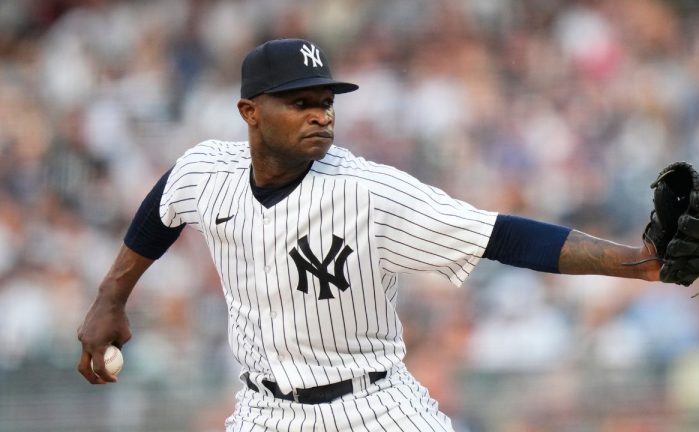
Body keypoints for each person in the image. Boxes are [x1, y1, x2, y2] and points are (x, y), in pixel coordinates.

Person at [77, 38, 663, 431]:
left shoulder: (369, 192)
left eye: (327, 103)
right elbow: (163, 205)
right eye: (299, 102)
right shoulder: (208, 170)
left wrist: (635, 262)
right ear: (249, 112)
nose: (322, 115)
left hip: (374, 407)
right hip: (264, 411)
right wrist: (111, 296)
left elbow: (502, 235)